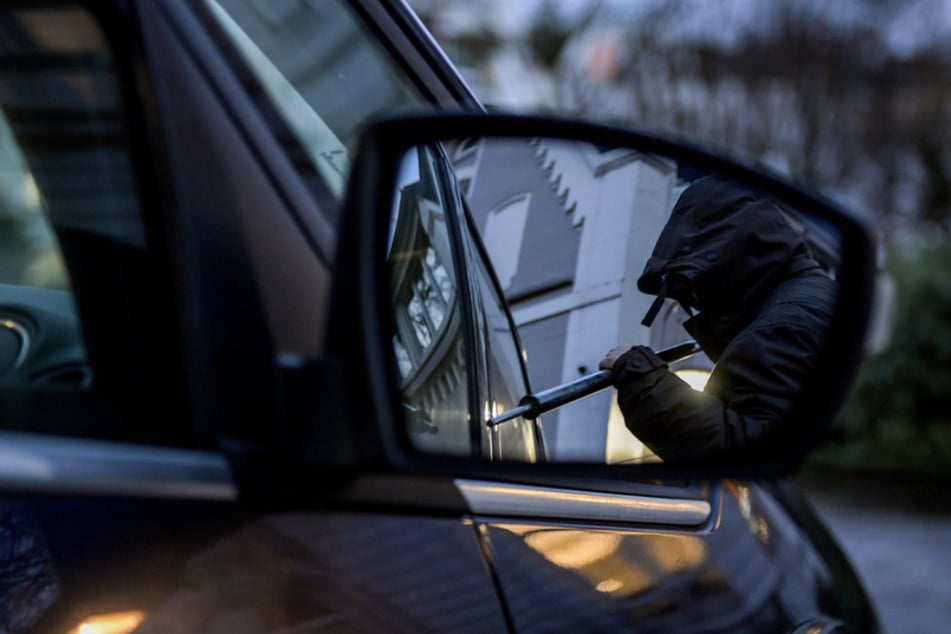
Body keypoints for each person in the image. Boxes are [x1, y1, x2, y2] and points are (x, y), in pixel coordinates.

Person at [598, 175, 837, 462]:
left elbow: (740, 450)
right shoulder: (807, 294)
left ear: (722, 259)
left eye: (698, 284)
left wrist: (638, 374)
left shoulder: (781, 327)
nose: (698, 300)